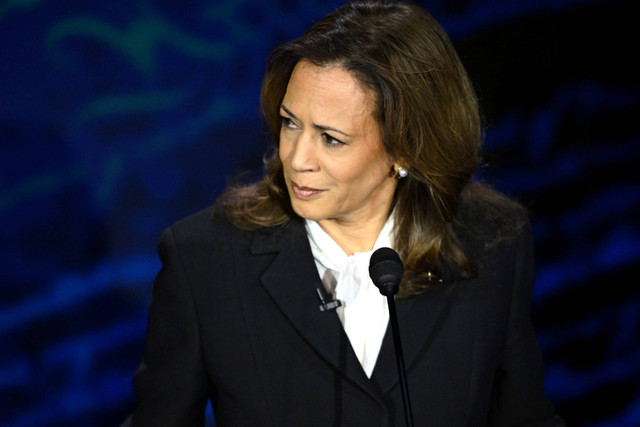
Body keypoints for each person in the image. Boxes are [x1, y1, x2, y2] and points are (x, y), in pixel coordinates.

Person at [125, 0, 565, 425]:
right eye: (290, 122)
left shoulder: (494, 240)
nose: (297, 158)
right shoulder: (204, 260)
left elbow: (523, 416)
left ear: (405, 148)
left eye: (331, 138)